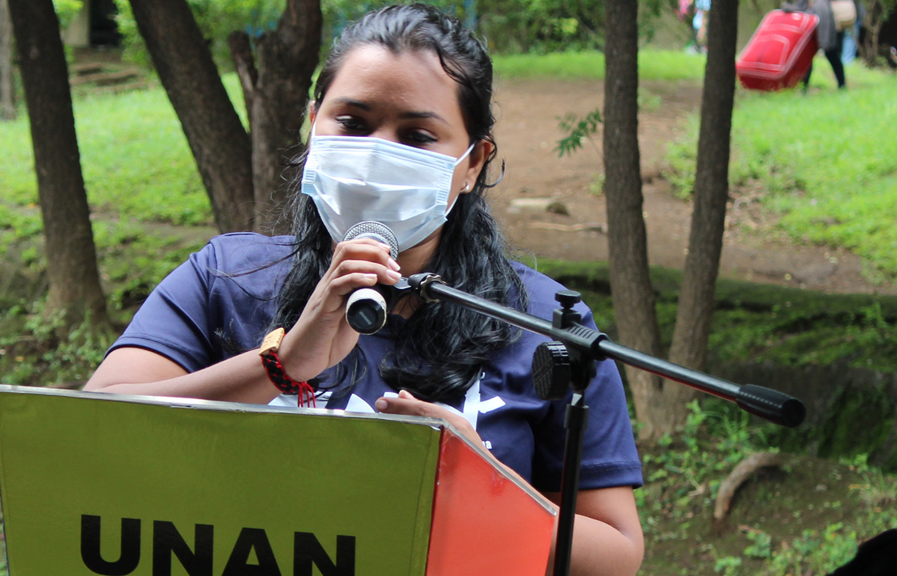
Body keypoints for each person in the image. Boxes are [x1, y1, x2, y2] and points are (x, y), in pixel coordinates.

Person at [85, 4, 644, 574]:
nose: (378, 152)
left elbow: (617, 556)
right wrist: (280, 366)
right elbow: (87, 435)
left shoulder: (547, 323)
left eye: (417, 135)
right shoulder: (224, 279)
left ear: (475, 161)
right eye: (352, 123)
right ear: (312, 122)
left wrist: (485, 485)